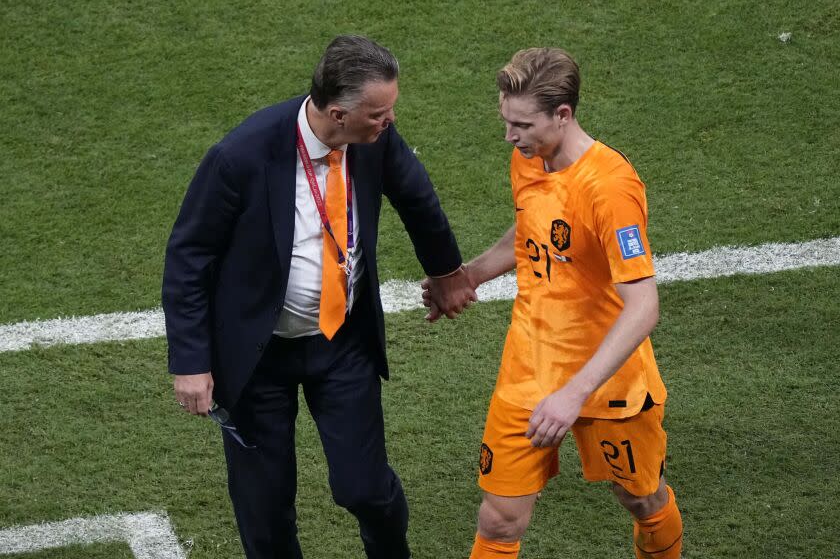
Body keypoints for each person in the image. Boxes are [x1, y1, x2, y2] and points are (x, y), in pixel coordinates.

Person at [162, 35, 476, 559]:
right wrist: (191, 362)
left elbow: (417, 197)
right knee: (265, 508)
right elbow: (188, 257)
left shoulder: (373, 138)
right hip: (256, 359)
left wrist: (446, 273)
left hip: (342, 342)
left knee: (365, 489)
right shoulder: (240, 156)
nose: (389, 121)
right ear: (337, 113)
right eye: (378, 113)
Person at [424, 48, 683, 558]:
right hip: (529, 369)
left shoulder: (610, 189)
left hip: (606, 379)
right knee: (498, 521)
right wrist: (468, 274)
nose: (509, 136)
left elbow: (643, 307)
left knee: (640, 498)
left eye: (521, 124)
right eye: (505, 121)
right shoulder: (529, 159)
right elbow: (530, 227)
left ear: (563, 115)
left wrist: (573, 394)